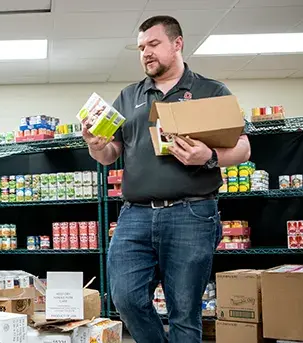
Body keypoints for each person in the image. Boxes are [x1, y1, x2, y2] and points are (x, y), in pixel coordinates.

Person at [83, 16, 251, 343]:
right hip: (135, 215)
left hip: (192, 213)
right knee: (125, 298)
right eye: (142, 47)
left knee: (184, 312)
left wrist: (209, 156)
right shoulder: (129, 96)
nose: (145, 52)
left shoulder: (210, 91)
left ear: (177, 44)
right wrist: (95, 145)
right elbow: (110, 154)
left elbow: (243, 147)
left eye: (154, 44)